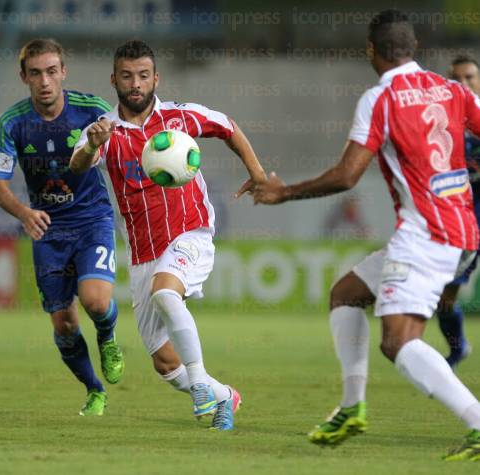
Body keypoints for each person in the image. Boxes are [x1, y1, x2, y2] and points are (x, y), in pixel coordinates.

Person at [253, 10, 480, 461]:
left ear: (371, 52)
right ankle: (352, 405)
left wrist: (283, 193)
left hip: (426, 236)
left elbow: (346, 176)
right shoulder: (454, 90)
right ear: (413, 49)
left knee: (398, 342)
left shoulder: (381, 98)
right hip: (462, 231)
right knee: (347, 293)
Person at [70, 40, 266, 430]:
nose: (136, 84)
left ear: (156, 77)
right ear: (114, 79)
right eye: (127, 76)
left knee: (165, 292)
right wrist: (92, 142)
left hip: (190, 234)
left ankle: (199, 388)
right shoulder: (104, 131)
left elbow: (228, 127)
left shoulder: (181, 116)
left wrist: (257, 172)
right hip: (143, 253)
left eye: (143, 75)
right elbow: (76, 166)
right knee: (163, 362)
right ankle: (224, 395)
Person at [0, 38, 124, 416]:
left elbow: (125, 155)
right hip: (47, 227)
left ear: (63, 72)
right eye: (36, 73)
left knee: (96, 301)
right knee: (64, 325)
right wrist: (24, 214)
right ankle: (94, 389)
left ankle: (108, 336)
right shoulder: (13, 123)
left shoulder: (93, 110)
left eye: (52, 71)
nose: (45, 81)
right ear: (24, 77)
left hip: (91, 219)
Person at [436, 55, 480, 367]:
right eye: (456, 79)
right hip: (462, 213)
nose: (463, 84)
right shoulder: (442, 120)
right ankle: (458, 346)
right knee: (444, 295)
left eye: (470, 77)